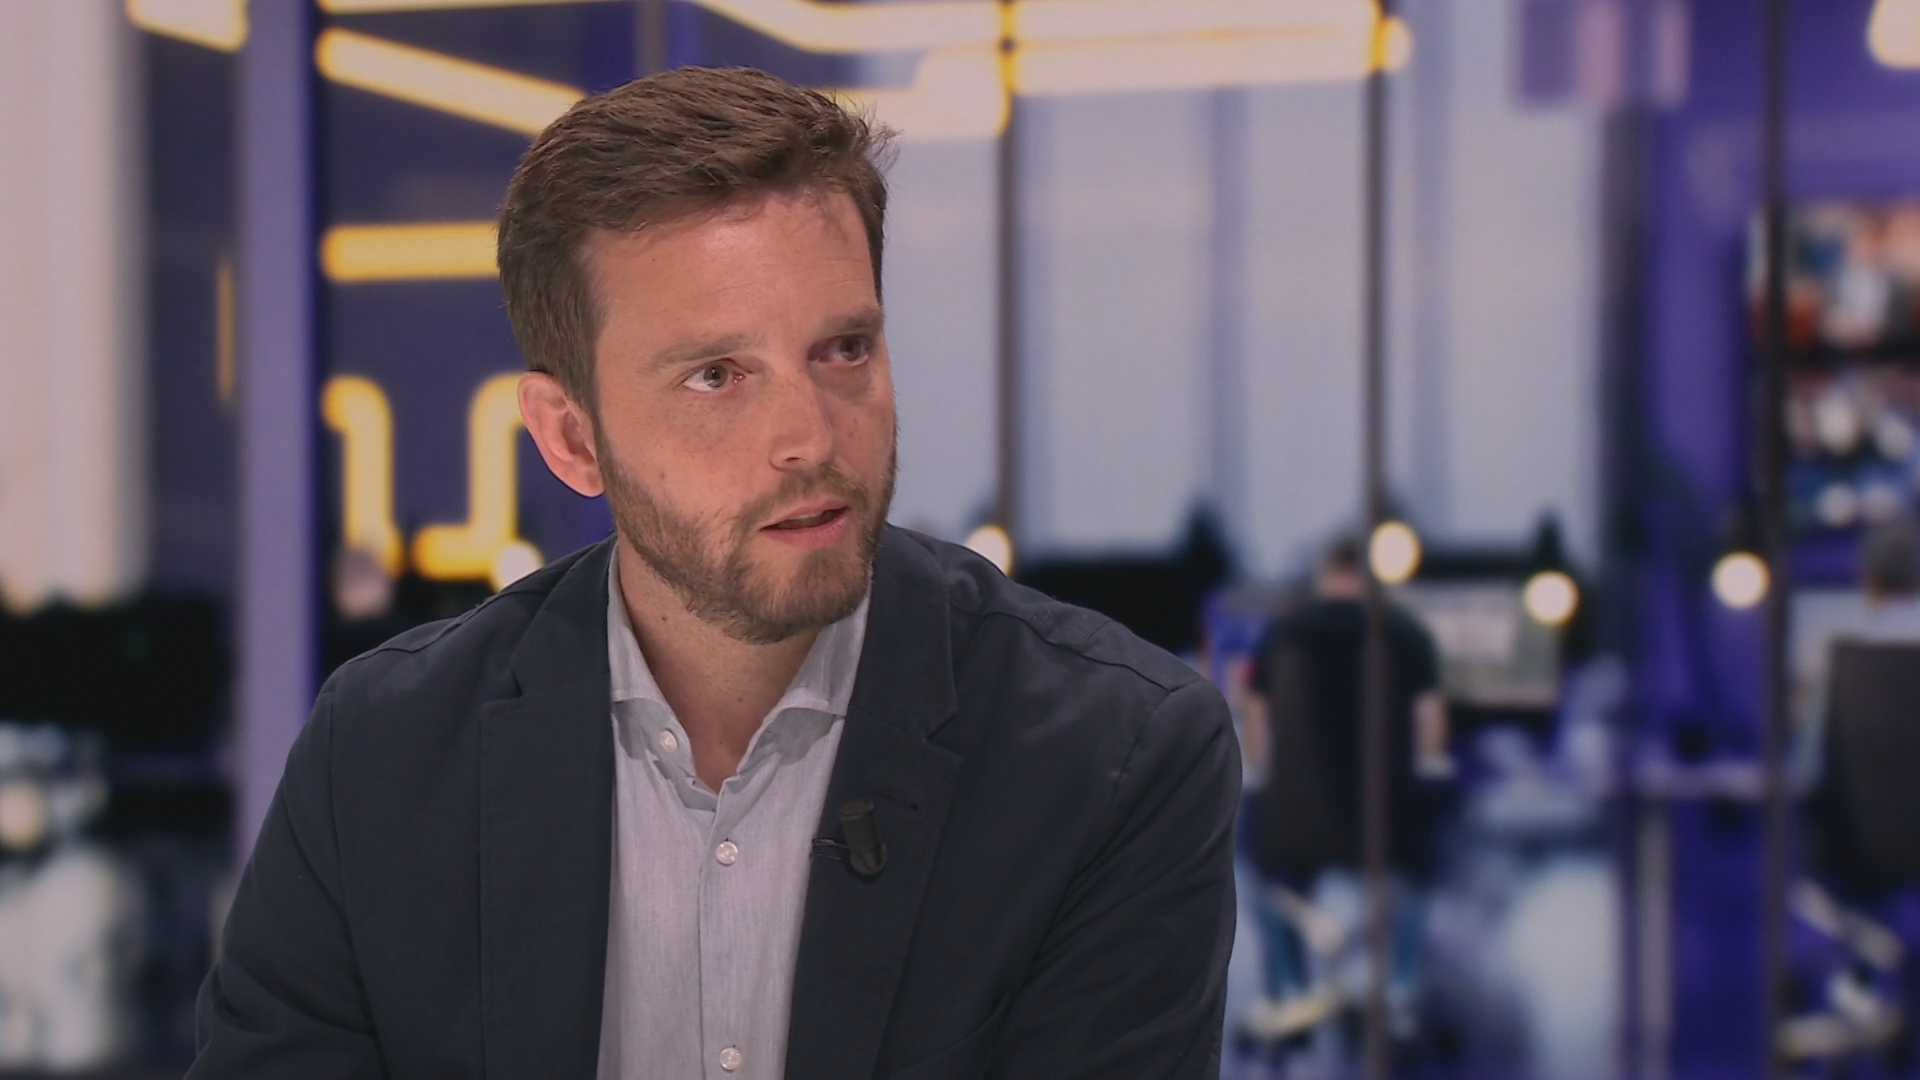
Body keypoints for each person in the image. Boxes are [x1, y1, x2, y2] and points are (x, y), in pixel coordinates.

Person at [188, 67, 1239, 1079]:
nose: (809, 436)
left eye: (844, 349)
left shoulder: (1116, 759)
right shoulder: (382, 758)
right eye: (716, 376)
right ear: (571, 438)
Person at [1236, 536, 1447, 1043]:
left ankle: (1292, 993)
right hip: (1386, 822)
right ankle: (1400, 992)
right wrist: (1427, 769)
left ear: (1324, 575)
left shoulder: (1281, 635)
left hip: (1299, 825)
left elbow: (1256, 722)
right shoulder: (1406, 632)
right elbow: (1430, 723)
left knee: (1263, 867)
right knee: (1421, 871)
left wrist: (1264, 776)